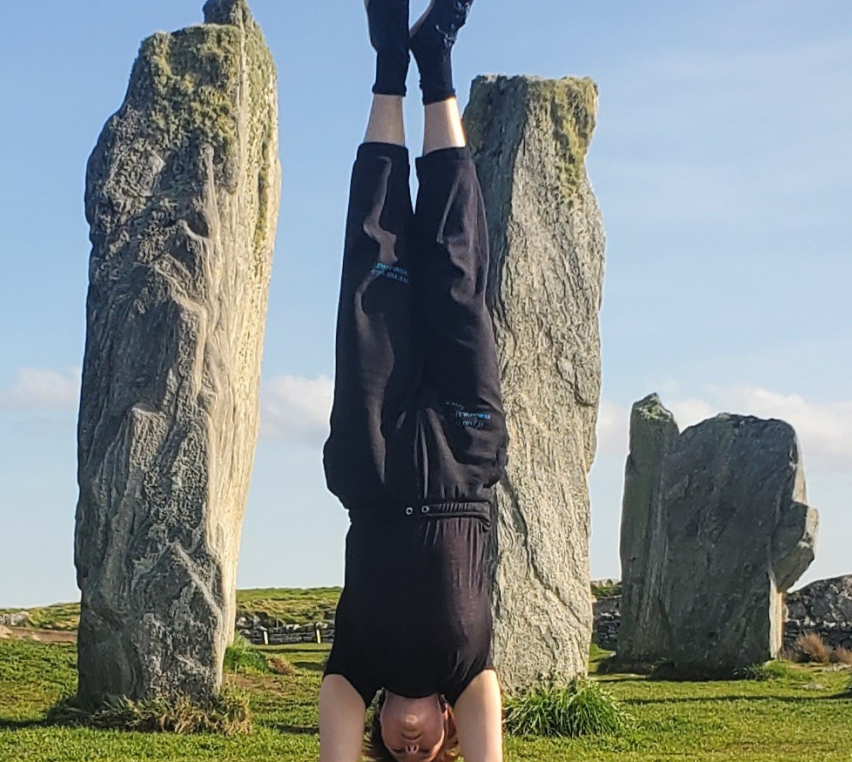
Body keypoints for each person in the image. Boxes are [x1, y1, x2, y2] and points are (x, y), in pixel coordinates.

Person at [317, 1, 506, 761]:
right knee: (458, 275)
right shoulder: (471, 676)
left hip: (376, 460)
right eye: (429, 752)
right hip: (466, 456)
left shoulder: (351, 673)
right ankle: (440, 68)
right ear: (454, 730)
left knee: (375, 265)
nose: (410, 741)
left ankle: (389, 64)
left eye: (397, 754)